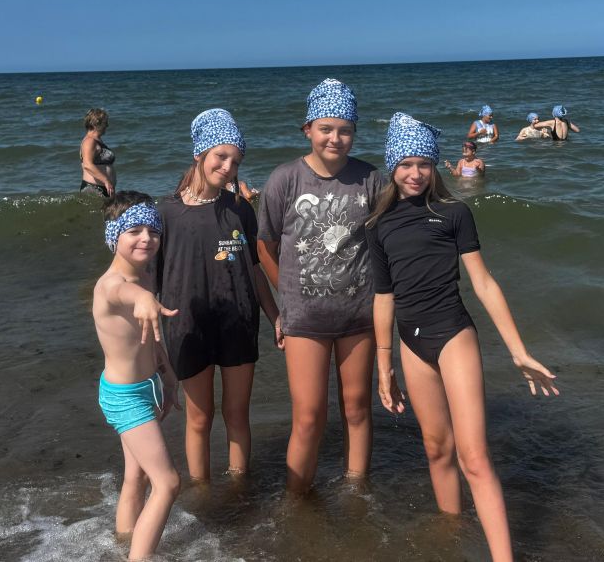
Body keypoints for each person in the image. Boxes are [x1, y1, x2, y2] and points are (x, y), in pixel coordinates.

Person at [366, 113, 558, 562]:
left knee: (473, 457)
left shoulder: (454, 213)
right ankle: (452, 538)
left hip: (453, 333)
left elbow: (484, 283)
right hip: (410, 342)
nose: (415, 173)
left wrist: (519, 352)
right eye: (406, 164)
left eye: (424, 164)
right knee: (437, 449)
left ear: (435, 166)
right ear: (393, 166)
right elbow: (383, 297)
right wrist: (384, 366)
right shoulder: (378, 225)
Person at [257, 78, 385, 493]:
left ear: (354, 133)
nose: (335, 138)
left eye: (345, 130)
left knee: (357, 409)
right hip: (305, 320)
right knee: (309, 417)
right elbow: (264, 246)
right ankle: (297, 500)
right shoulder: (284, 179)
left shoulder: (371, 179)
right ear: (307, 130)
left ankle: (356, 494)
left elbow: (389, 241)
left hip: (359, 316)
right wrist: (287, 298)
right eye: (326, 128)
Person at [156, 108, 282, 481]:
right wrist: (150, 338)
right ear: (200, 153)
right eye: (221, 156)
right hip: (187, 327)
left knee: (237, 413)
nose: (228, 167)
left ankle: (239, 488)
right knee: (199, 418)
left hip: (238, 322)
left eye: (236, 161)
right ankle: (202, 493)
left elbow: (255, 270)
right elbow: (150, 281)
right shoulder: (165, 213)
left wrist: (277, 316)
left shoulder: (240, 209)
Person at [92, 191, 181, 560]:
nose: (147, 238)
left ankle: (124, 544)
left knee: (137, 476)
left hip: (146, 388)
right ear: (114, 235)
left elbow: (151, 339)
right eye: (134, 231)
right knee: (168, 482)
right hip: (125, 398)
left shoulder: (143, 277)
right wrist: (144, 300)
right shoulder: (111, 285)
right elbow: (124, 294)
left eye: (153, 231)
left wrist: (169, 377)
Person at [81, 108, 117, 197]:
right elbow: (87, 165)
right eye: (105, 122)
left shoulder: (97, 140)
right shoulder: (89, 141)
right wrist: (106, 180)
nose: (107, 125)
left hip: (103, 188)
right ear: (96, 124)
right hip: (93, 189)